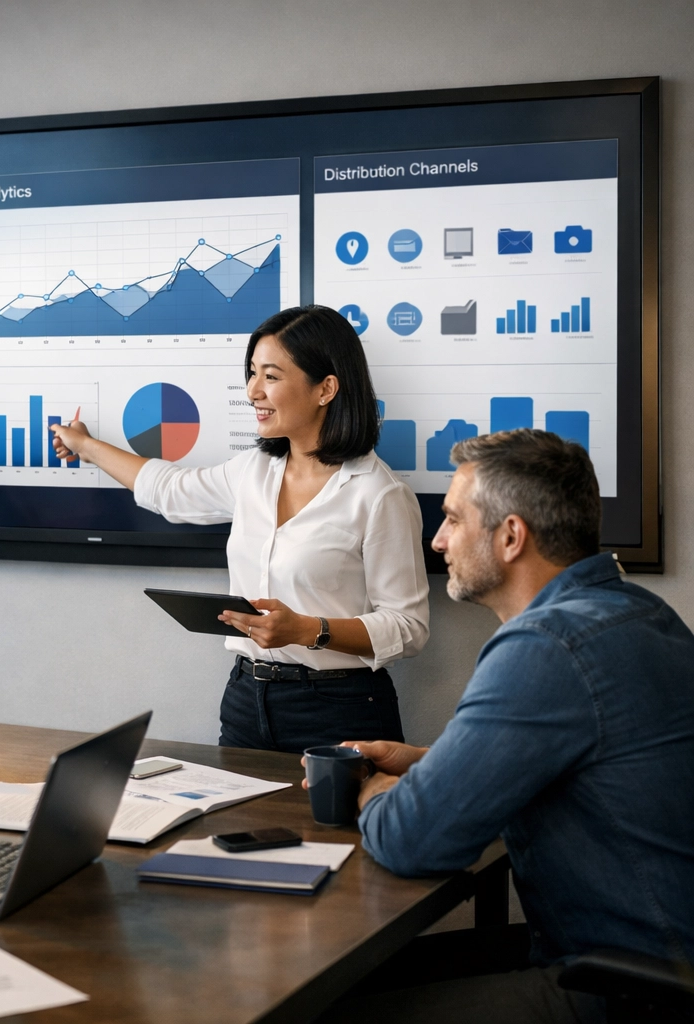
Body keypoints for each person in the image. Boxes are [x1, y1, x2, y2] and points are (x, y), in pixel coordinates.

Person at [327, 429, 694, 1023]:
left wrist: (373, 787)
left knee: (324, 1006)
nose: (438, 539)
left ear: (510, 536)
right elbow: (581, 764)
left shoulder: (546, 644)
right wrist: (428, 761)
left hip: (634, 988)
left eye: (451, 519)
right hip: (655, 957)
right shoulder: (637, 613)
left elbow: (412, 839)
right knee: (352, 978)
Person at [50, 305, 429, 752]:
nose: (252, 391)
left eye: (271, 376)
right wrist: (87, 446)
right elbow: (171, 490)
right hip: (247, 699)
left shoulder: (378, 494)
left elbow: (408, 627)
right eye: (252, 373)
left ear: (326, 388)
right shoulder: (254, 470)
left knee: (334, 825)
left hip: (340, 708)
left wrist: (308, 630)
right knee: (240, 824)